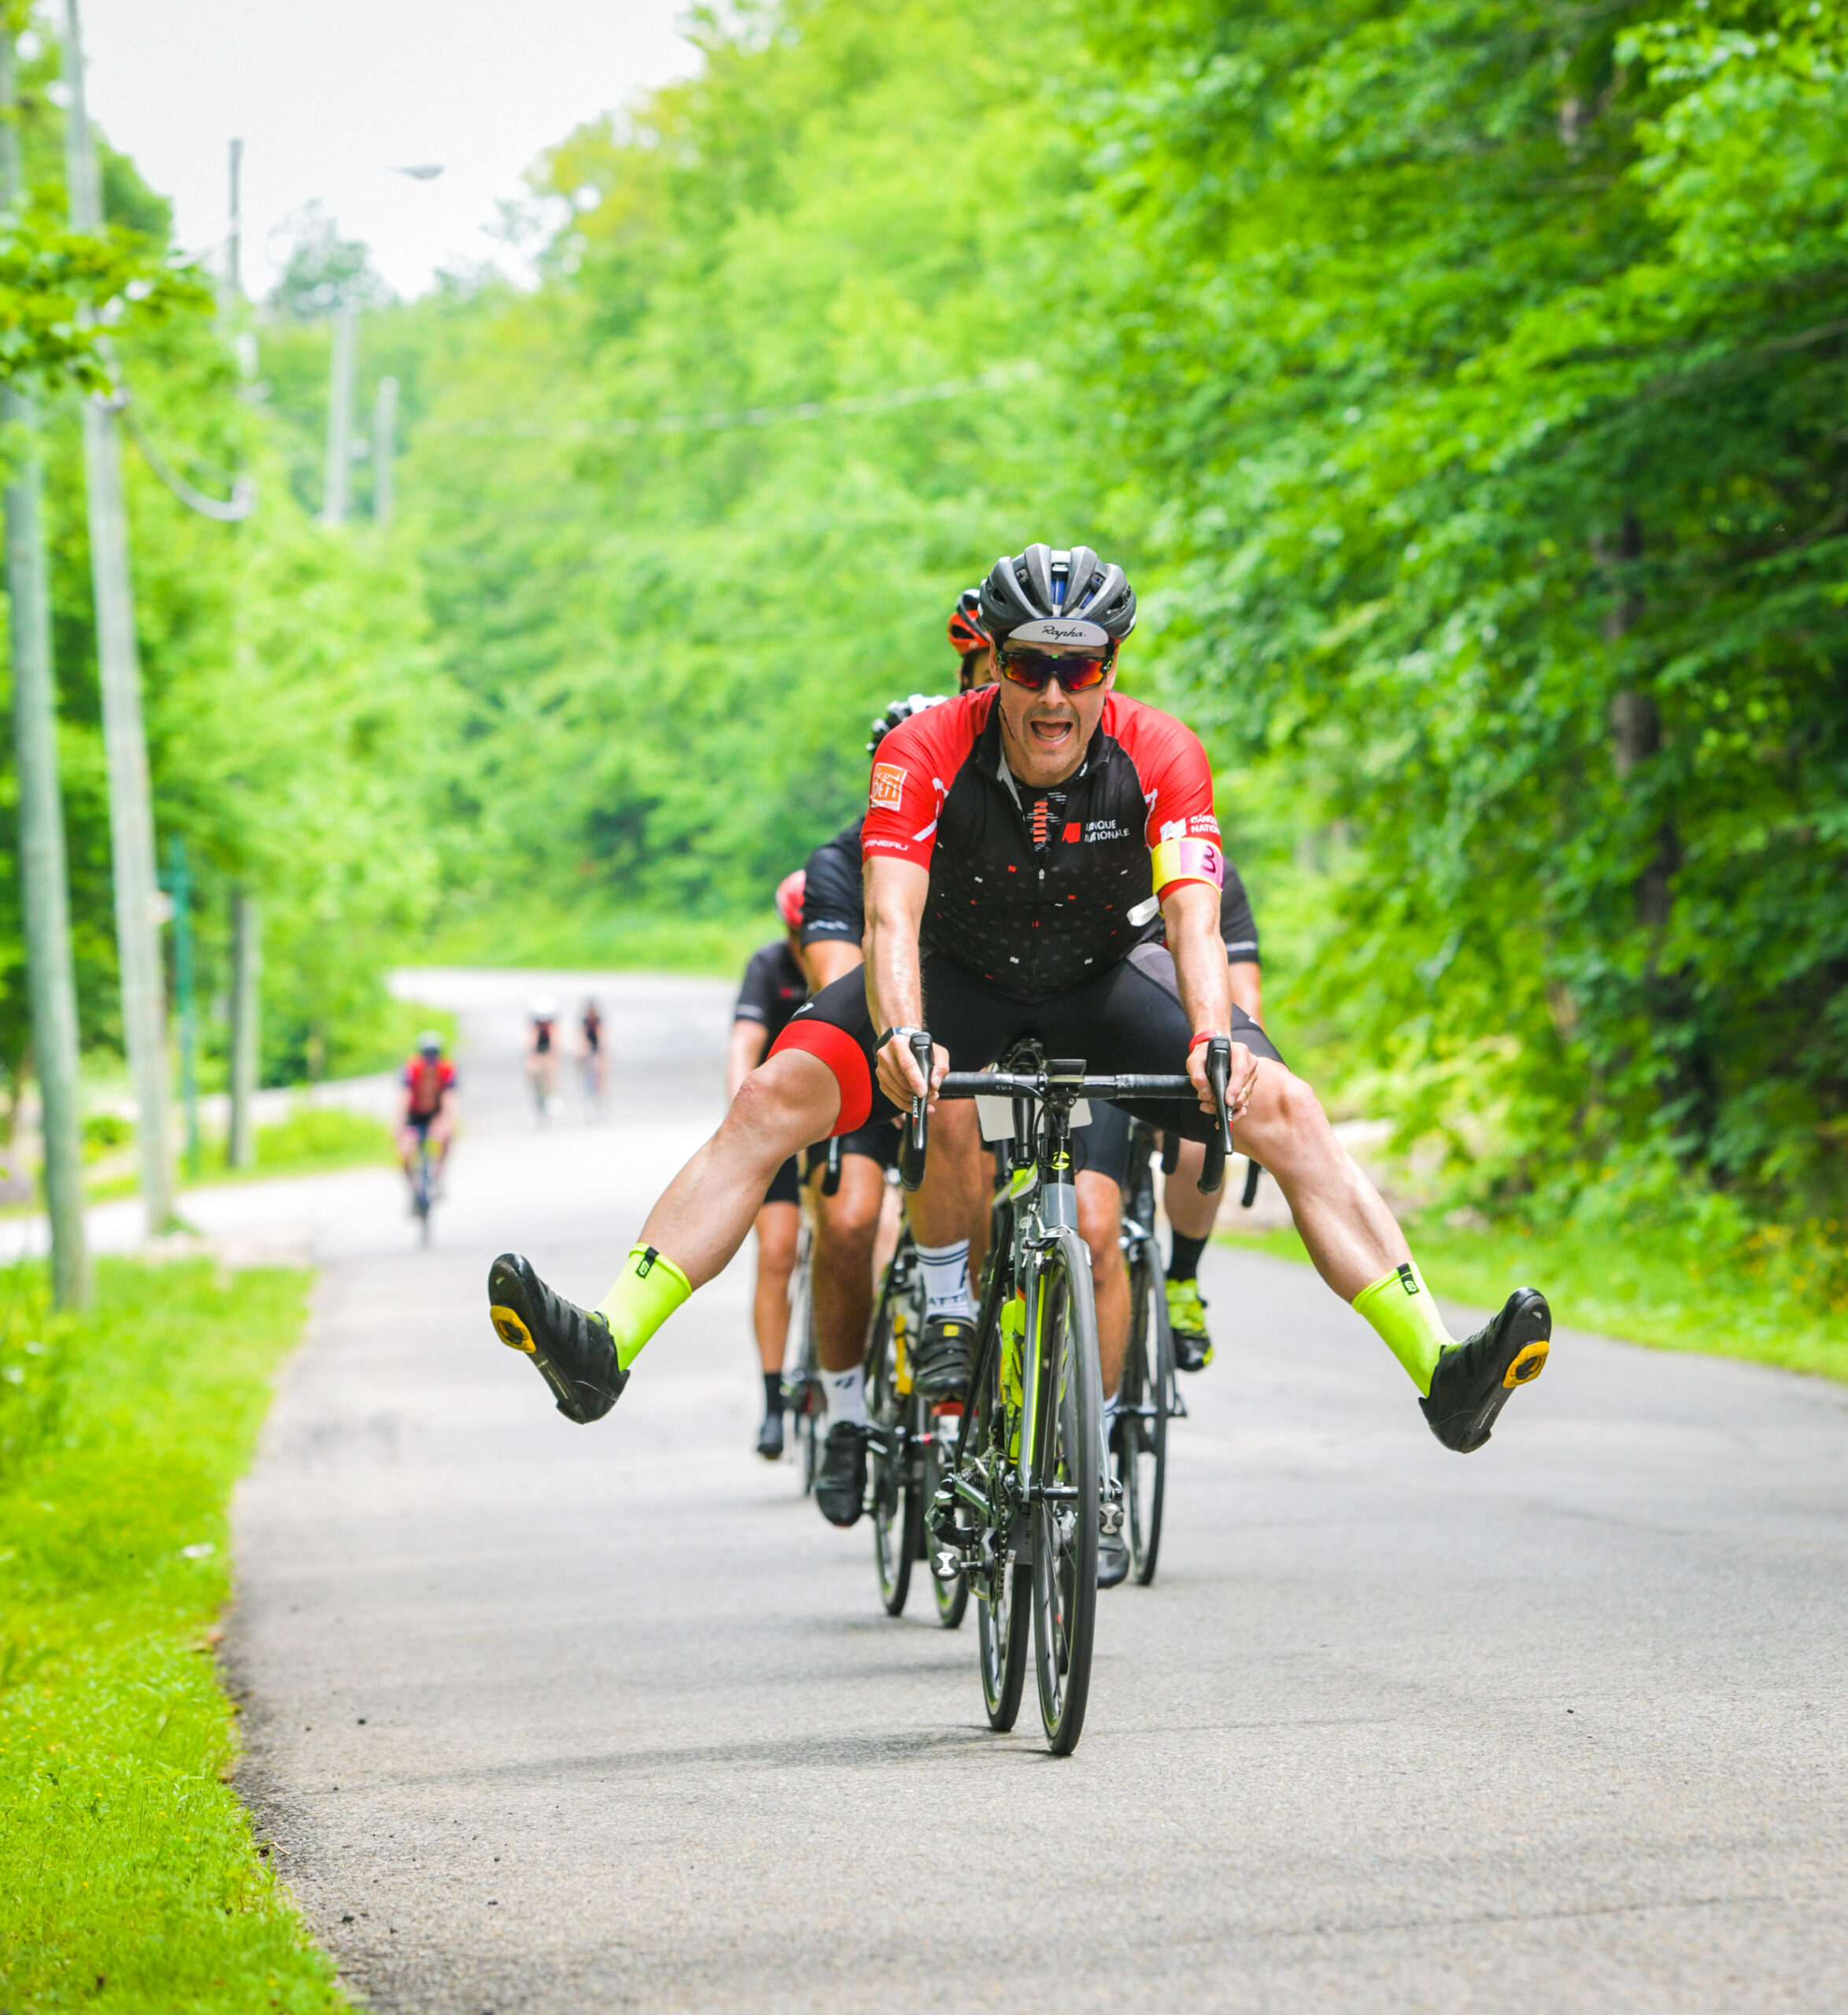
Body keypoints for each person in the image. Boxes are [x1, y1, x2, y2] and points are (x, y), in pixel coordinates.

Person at [486, 544, 1552, 1550]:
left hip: (1098, 989)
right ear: (990, 664)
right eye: (1029, 667)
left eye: (1077, 668)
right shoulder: (926, 748)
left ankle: (1442, 1372)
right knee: (772, 1101)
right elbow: (892, 918)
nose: (1053, 695)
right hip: (951, 984)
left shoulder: (1163, 750)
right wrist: (901, 1029)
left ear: (1109, 668)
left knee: (1287, 1109)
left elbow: (1191, 912)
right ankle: (606, 1346)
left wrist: (1216, 1039)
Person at [729, 871, 811, 1459]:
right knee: (778, 1253)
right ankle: (773, 1399)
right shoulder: (769, 967)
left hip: (842, 1128)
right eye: (797, 932)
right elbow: (743, 1047)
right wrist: (745, 1124)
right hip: (784, 1130)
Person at [397, 1032, 458, 1199]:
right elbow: (404, 1097)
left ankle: (437, 1176)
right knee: (404, 1152)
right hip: (414, 1115)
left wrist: (446, 1121)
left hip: (435, 1114)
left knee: (445, 1137)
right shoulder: (412, 1068)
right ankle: (413, 1190)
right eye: (427, 1055)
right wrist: (399, 1123)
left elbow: (449, 1099)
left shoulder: (446, 1069)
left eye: (434, 1055)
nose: (430, 1059)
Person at [526, 995, 560, 1119]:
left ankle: (551, 1094)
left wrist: (554, 1053)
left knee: (551, 1067)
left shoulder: (552, 1026)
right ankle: (536, 1092)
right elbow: (531, 1042)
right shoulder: (534, 1027)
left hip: (548, 1049)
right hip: (538, 1049)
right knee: (533, 1069)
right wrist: (531, 1056)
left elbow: (555, 1042)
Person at [579, 997, 606, 1115]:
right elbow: (581, 1035)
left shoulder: (598, 1020)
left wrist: (601, 1050)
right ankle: (589, 1098)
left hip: (597, 1047)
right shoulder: (585, 1020)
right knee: (587, 1072)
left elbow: (602, 1036)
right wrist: (582, 1050)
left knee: (600, 1070)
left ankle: (601, 1097)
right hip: (588, 1047)